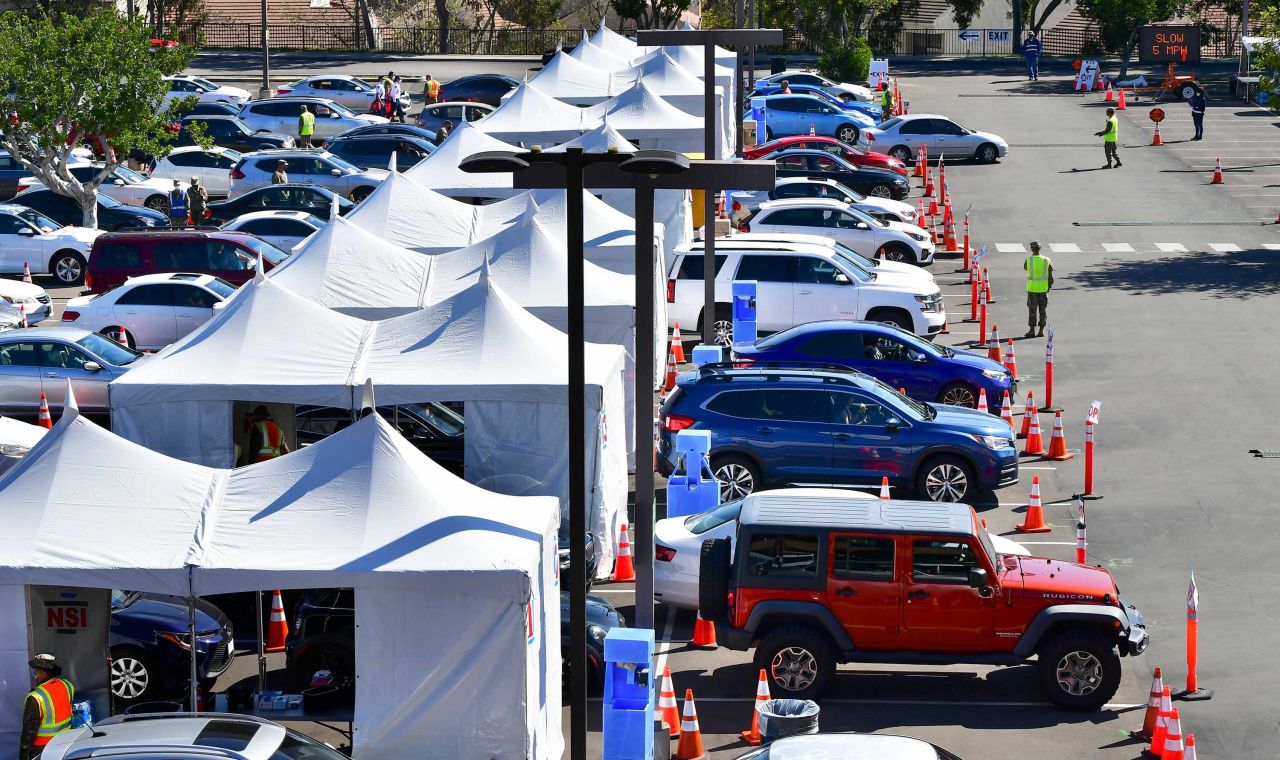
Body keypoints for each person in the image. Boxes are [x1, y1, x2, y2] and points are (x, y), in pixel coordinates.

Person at [21, 654, 74, 760]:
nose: (34, 673)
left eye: (36, 669)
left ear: (44, 671)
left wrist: (23, 755)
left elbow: (29, 732)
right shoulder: (68, 685)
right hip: (66, 743)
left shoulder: (35, 697)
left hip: (42, 749)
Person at [1023, 241, 1053, 338]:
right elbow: (1051, 278)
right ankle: (1041, 331)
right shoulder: (1047, 260)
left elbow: (1025, 268)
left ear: (1032, 249)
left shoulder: (1029, 260)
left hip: (1032, 289)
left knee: (1032, 310)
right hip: (1043, 290)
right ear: (1039, 249)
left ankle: (1032, 331)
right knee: (1042, 310)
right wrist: (1048, 287)